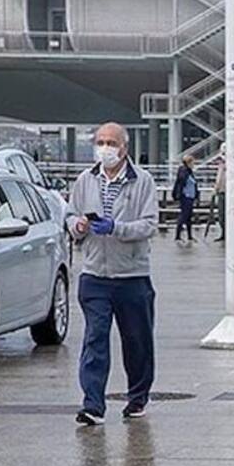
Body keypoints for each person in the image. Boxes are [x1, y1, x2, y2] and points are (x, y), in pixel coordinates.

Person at [66, 122, 159, 427]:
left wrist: (117, 229)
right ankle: (93, 403)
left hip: (132, 276)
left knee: (137, 341)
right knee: (95, 338)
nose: (105, 148)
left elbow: (149, 224)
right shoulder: (85, 180)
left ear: (124, 148)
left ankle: (137, 397)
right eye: (100, 142)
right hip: (94, 275)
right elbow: (70, 214)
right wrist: (77, 225)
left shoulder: (142, 181)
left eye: (111, 142)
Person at [171, 154, 198, 243]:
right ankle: (177, 236)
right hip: (185, 196)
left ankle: (190, 236)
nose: (194, 164)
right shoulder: (184, 171)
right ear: (188, 162)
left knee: (189, 217)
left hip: (190, 197)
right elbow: (181, 182)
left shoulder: (190, 172)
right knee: (184, 215)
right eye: (192, 162)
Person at [208, 147, 226, 241]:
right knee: (221, 215)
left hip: (225, 192)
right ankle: (223, 233)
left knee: (224, 215)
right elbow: (218, 179)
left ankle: (225, 233)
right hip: (221, 191)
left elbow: (220, 179)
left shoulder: (227, 166)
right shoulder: (221, 167)